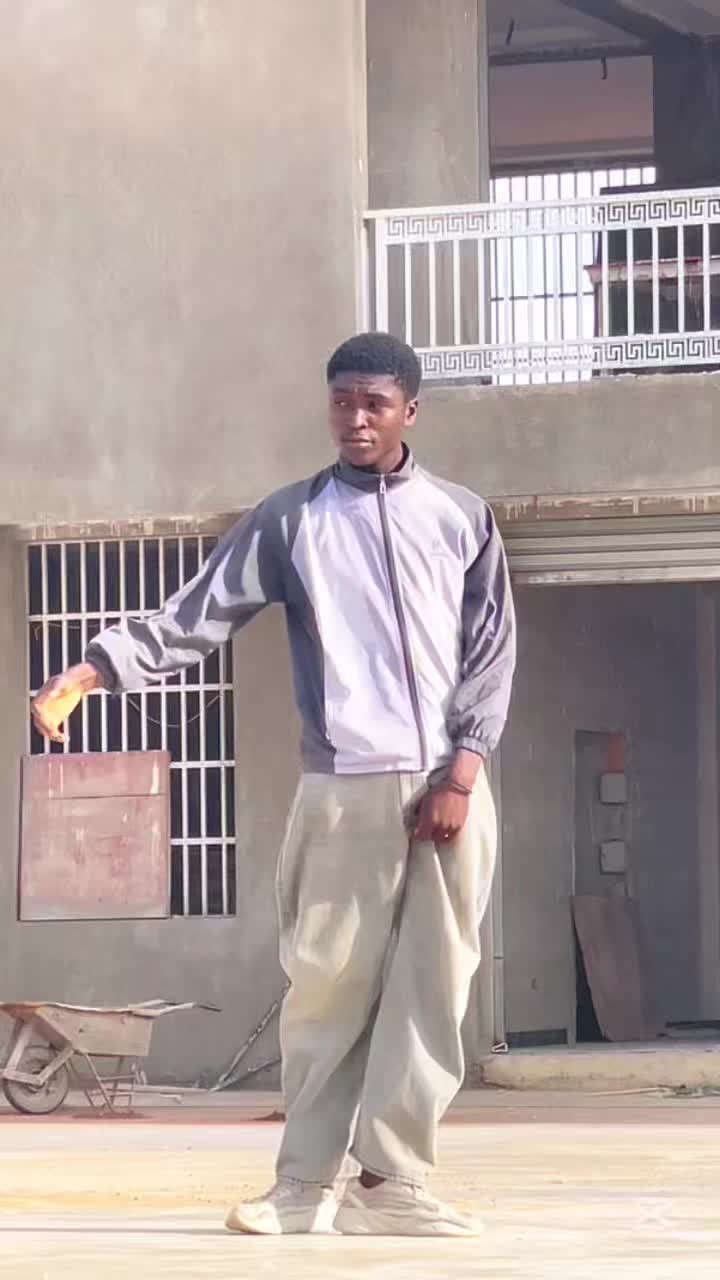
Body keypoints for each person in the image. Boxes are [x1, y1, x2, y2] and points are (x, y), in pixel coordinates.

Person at [32, 332, 516, 1237]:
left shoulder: (461, 517)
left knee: (433, 990)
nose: (356, 419)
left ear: (410, 411)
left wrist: (464, 767)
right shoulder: (291, 520)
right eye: (342, 401)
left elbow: (491, 652)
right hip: (342, 791)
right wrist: (94, 670)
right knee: (327, 988)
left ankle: (391, 1187)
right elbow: (196, 613)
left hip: (449, 788)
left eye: (374, 403)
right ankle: (302, 1188)